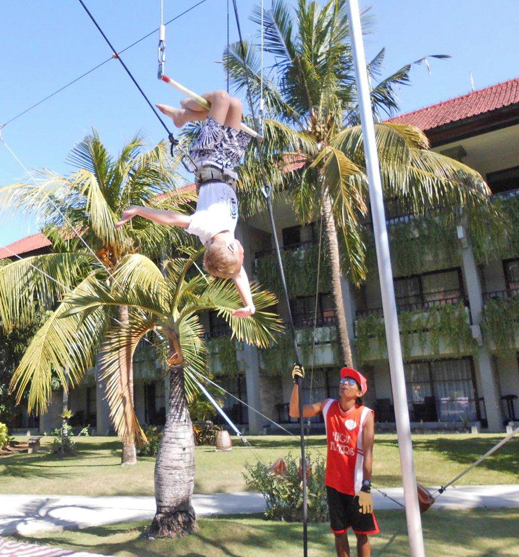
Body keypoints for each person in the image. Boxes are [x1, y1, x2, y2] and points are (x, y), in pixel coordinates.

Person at [115, 90, 255, 318]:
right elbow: (238, 273)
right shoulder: (225, 242)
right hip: (229, 162)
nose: (244, 253)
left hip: (207, 157)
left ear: (231, 248)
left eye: (242, 255)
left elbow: (171, 218)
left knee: (221, 98)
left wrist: (139, 210)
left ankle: (183, 111)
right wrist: (249, 304)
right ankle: (184, 116)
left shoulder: (205, 227)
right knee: (236, 105)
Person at [289, 366, 378, 557]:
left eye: (351, 382)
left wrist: (367, 487)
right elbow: (295, 412)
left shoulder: (365, 415)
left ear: (359, 392)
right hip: (334, 485)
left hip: (358, 487)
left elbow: (368, 453)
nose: (344, 383)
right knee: (339, 533)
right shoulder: (327, 406)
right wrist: (297, 383)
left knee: (362, 535)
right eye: (343, 380)